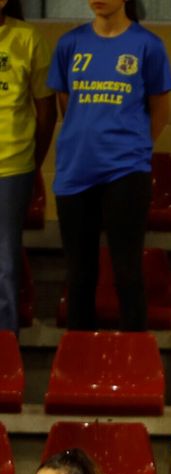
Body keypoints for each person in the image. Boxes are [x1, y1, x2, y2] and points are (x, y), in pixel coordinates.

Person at [48, 0, 171, 332]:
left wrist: (135, 145)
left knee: (127, 271)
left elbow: (160, 107)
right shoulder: (70, 44)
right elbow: (65, 104)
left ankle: (134, 363)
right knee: (79, 274)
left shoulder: (148, 46)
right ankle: (78, 364)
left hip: (126, 171)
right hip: (75, 171)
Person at [0, 1, 52, 333]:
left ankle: (4, 348)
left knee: (4, 261)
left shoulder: (28, 39)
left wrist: (34, 163)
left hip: (12, 166)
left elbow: (46, 112)